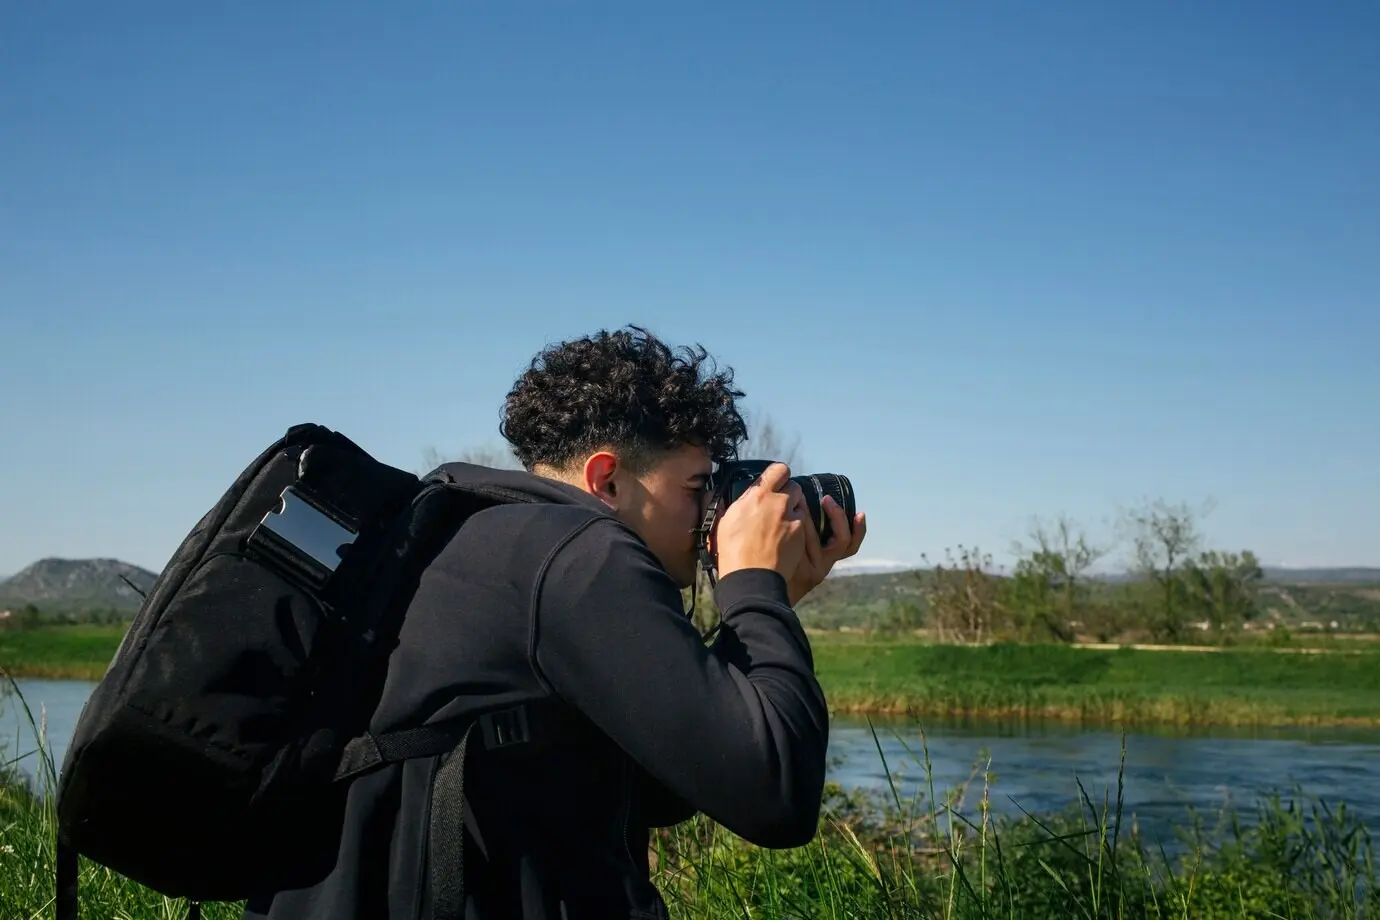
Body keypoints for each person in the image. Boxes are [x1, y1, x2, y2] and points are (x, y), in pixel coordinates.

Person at [243, 325, 867, 920]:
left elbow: (670, 780)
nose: (710, 512)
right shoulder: (579, 554)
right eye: (697, 486)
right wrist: (757, 589)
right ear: (607, 479)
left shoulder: (466, 534)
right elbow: (774, 797)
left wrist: (764, 604)